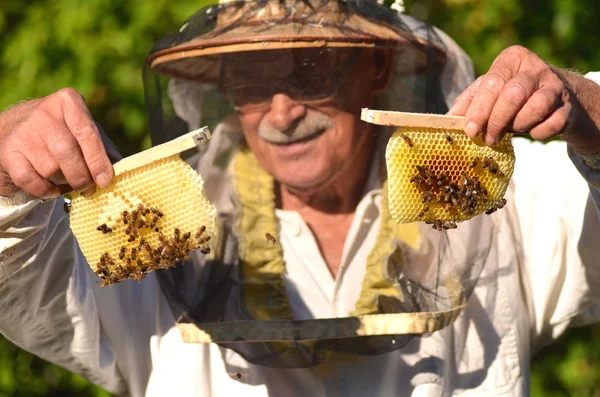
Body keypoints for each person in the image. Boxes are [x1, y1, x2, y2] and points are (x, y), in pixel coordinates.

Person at [0, 0, 599, 395]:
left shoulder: (510, 202)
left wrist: (586, 109)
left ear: (378, 68)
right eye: (252, 82)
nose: (280, 114)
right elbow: (18, 275)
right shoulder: (158, 232)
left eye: (310, 71)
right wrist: (7, 168)